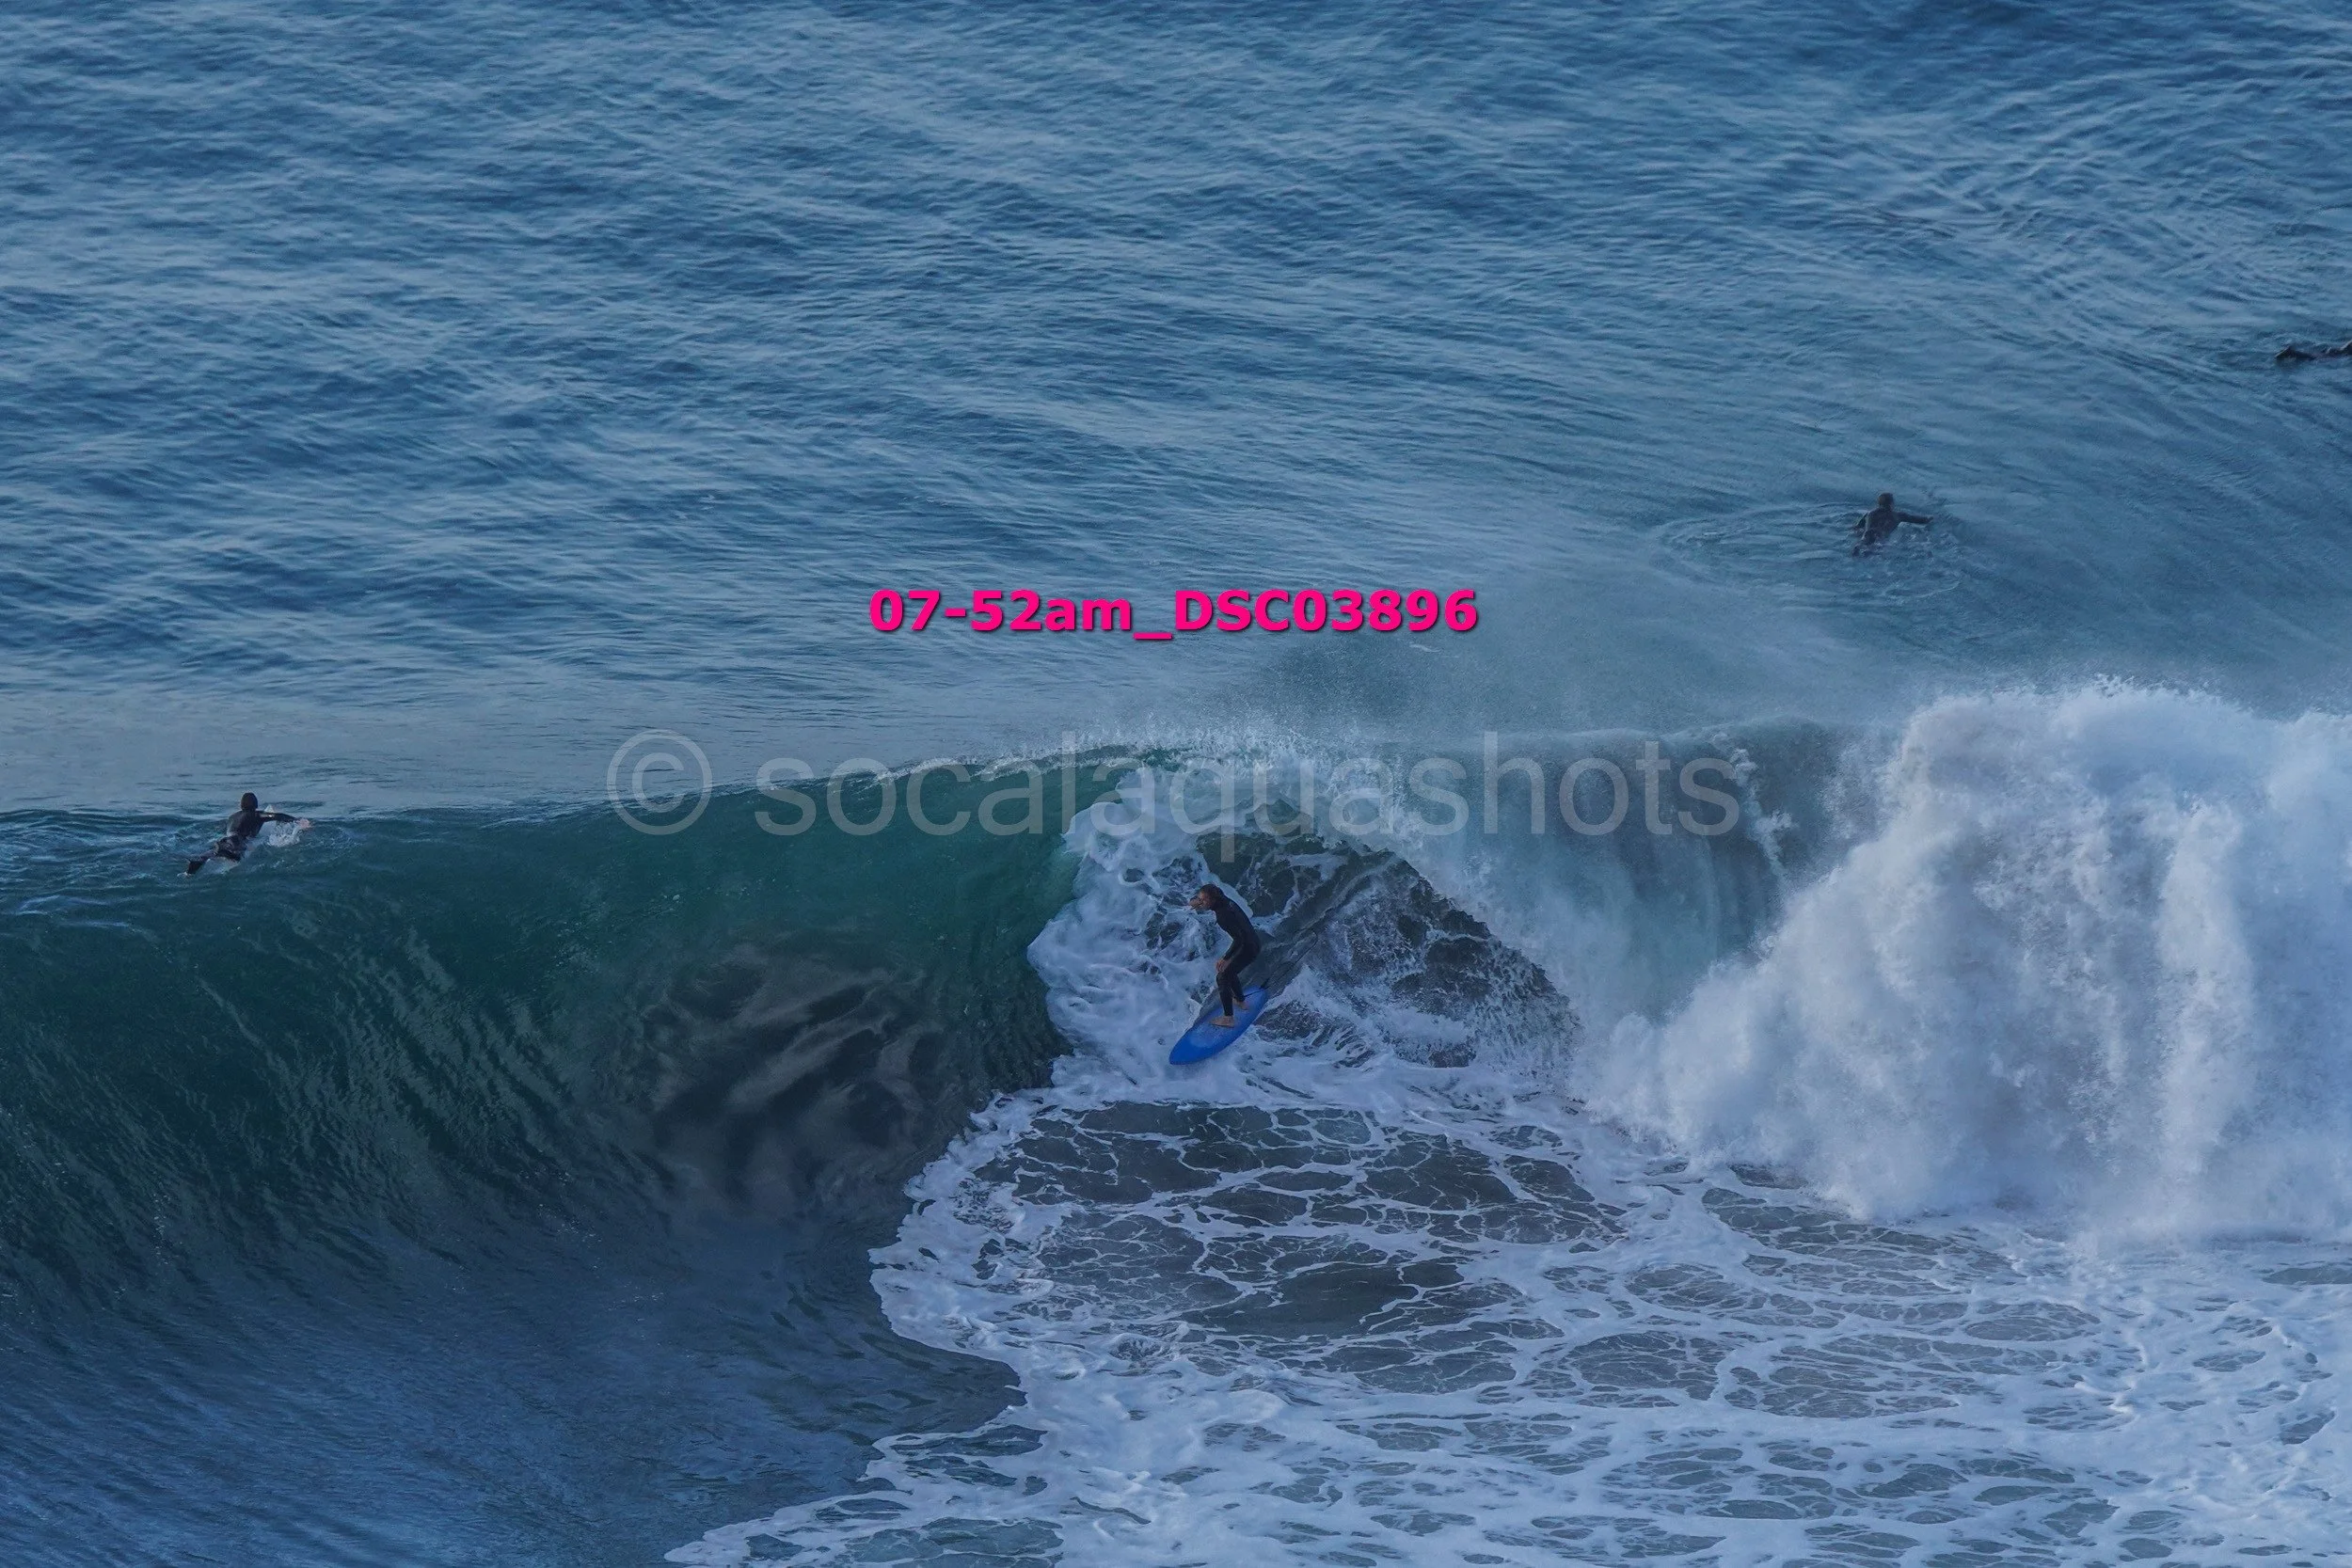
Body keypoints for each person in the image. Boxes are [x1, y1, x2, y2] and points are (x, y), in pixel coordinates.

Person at [1189, 884, 1262, 1026]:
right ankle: (1241, 1002)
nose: (1201, 902)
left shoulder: (1223, 915)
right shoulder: (1223, 899)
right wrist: (1196, 901)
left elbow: (1240, 939)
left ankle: (1228, 1019)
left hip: (1248, 948)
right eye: (1199, 898)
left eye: (1203, 900)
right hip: (1253, 942)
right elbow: (1204, 900)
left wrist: (1226, 958)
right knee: (1229, 972)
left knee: (1222, 976)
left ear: (1212, 900)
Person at [186, 793, 304, 875]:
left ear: (241, 805)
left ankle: (189, 872)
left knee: (210, 854)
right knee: (234, 856)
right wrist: (298, 821)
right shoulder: (256, 815)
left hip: (225, 839)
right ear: (255, 806)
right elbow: (277, 816)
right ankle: (228, 860)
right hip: (238, 841)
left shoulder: (232, 817)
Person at [1852, 492, 1931, 554]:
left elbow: (1857, 527)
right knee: (1873, 552)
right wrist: (1931, 518)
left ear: (1879, 504)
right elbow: (1921, 520)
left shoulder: (1870, 513)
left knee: (1861, 547)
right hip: (1880, 538)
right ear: (1891, 504)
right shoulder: (1898, 516)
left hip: (1867, 535)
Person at [2277, 341, 2352, 364]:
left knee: (2314, 355)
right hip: (2339, 354)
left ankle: (2293, 352)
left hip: (2335, 350)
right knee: (2314, 358)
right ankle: (2292, 352)